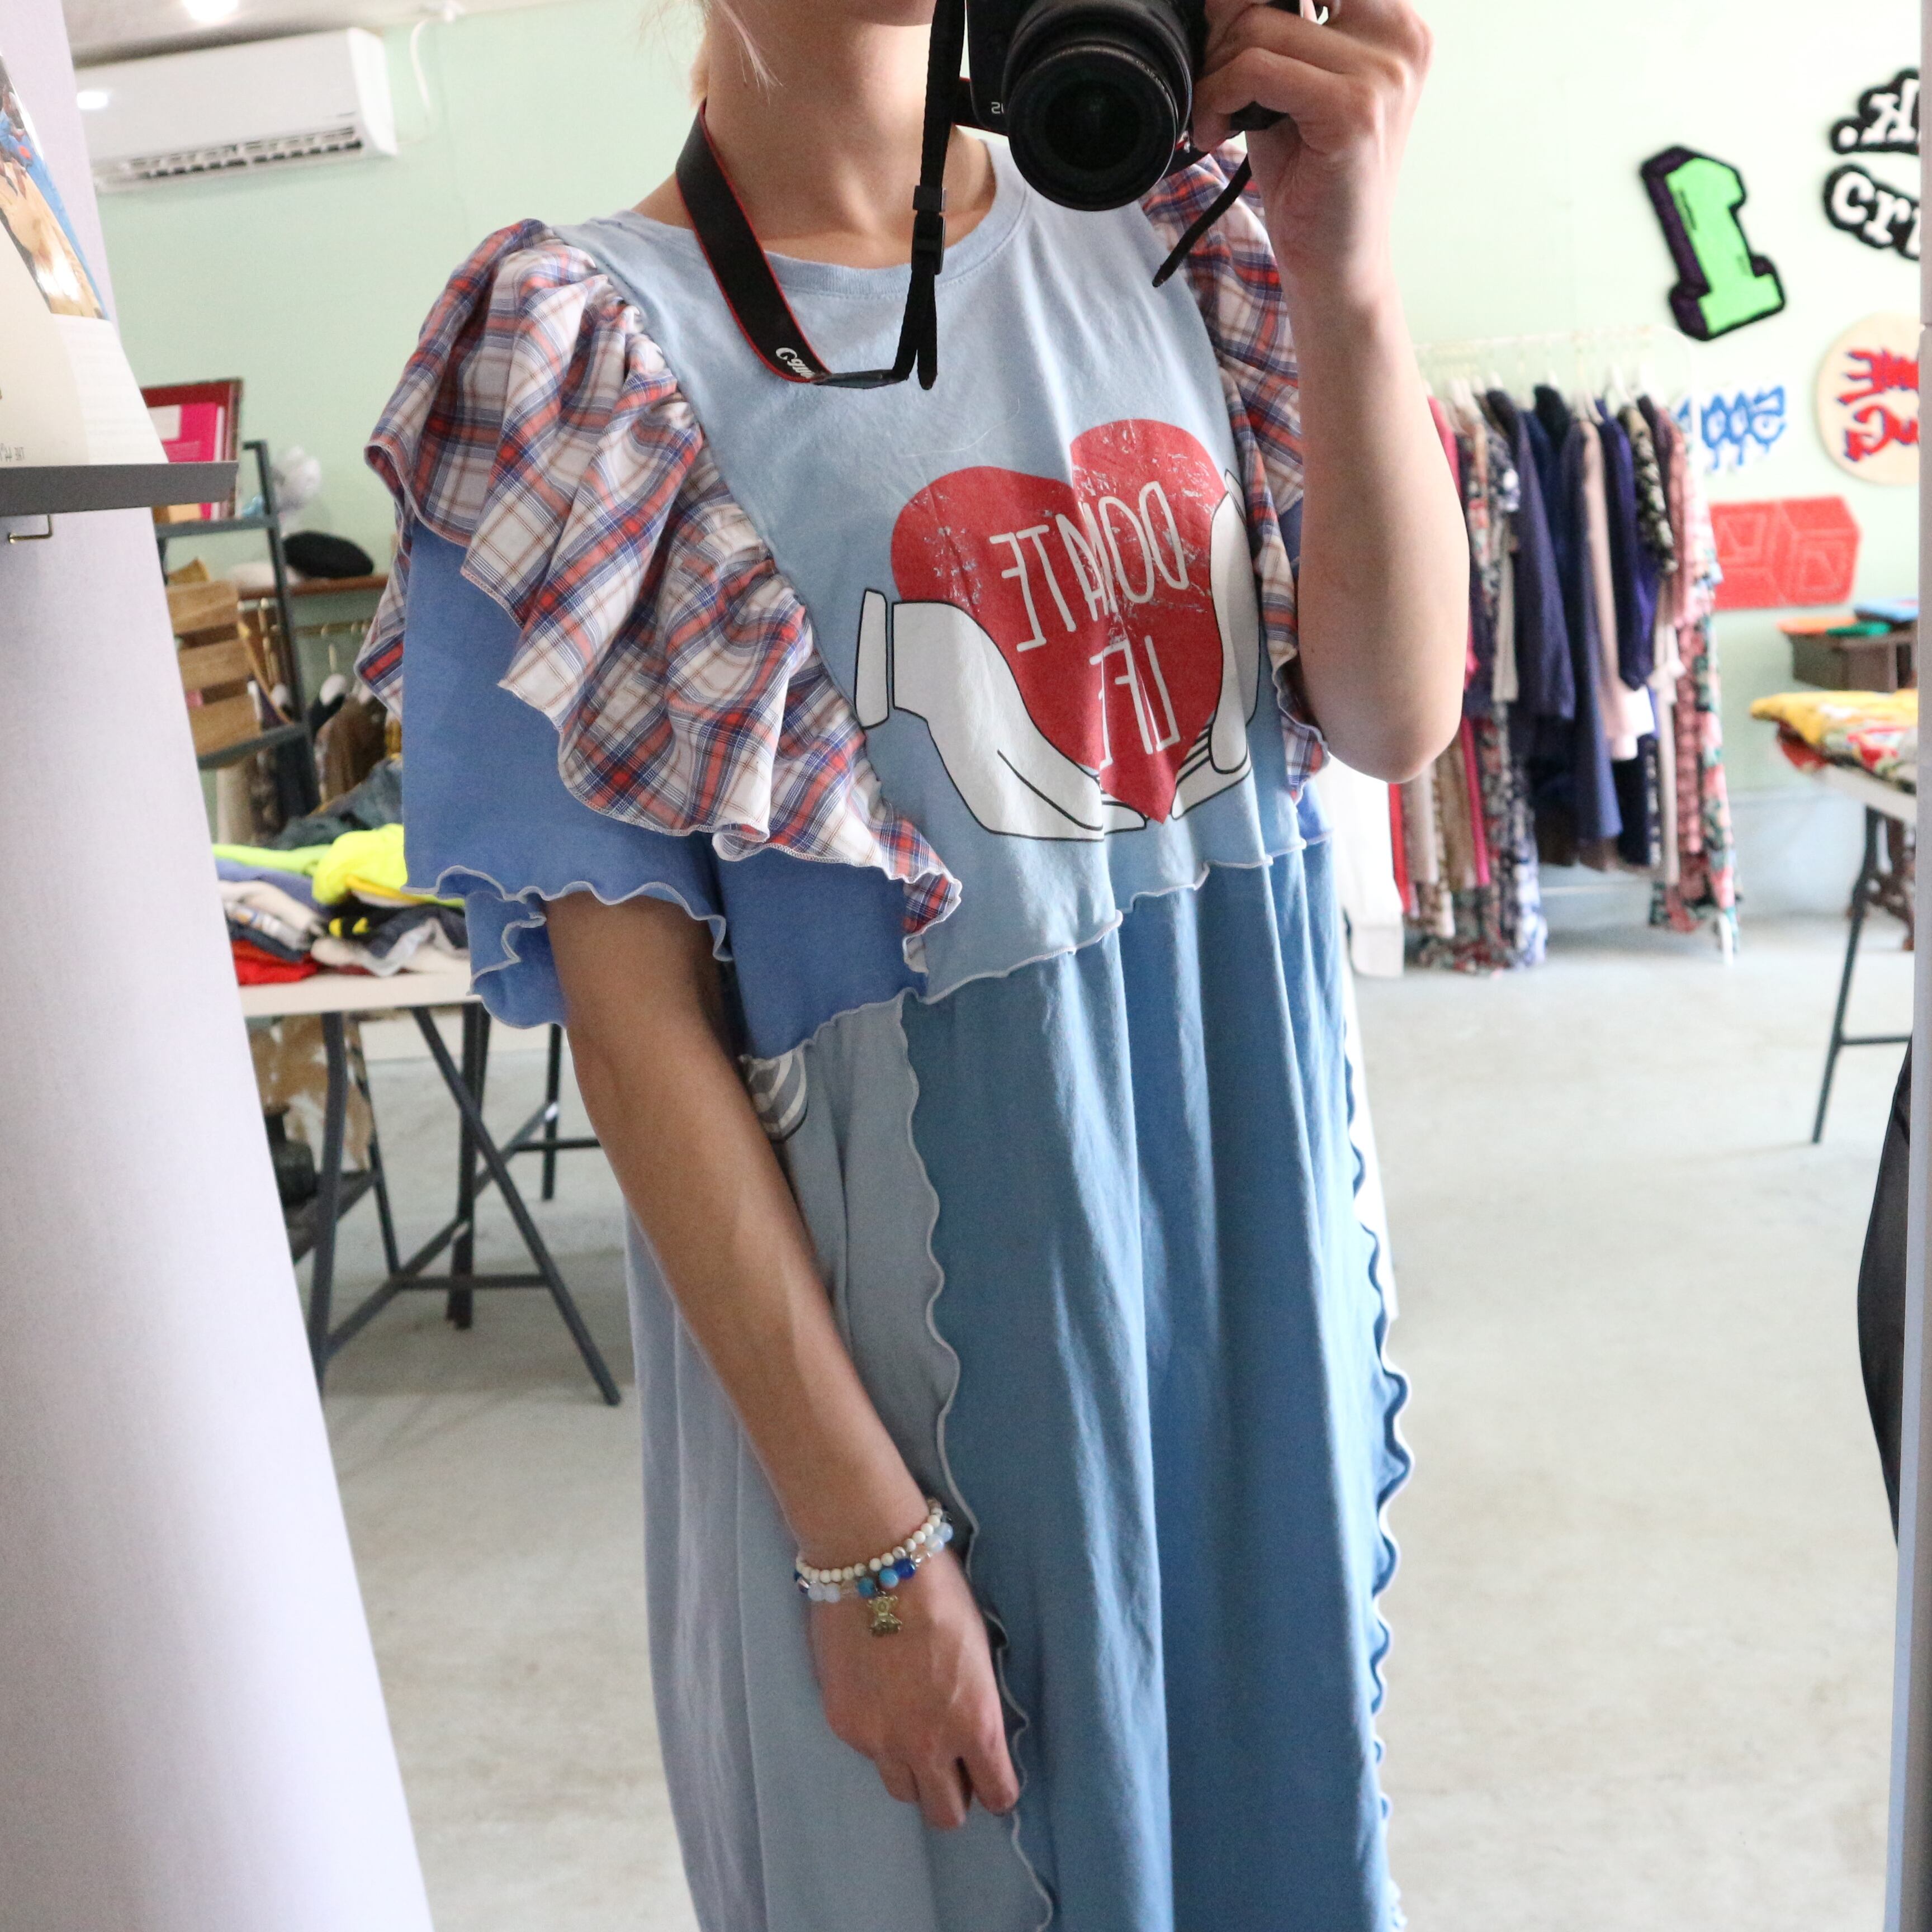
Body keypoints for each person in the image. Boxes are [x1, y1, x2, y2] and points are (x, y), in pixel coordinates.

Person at [361, 0, 1467, 1924]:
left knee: (1265, 1824)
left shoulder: (1177, 235)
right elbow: (638, 1034)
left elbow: (1393, 714)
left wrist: (1352, 272)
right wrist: (862, 1547)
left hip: (1242, 1223)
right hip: (930, 1340)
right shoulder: (578, 353)